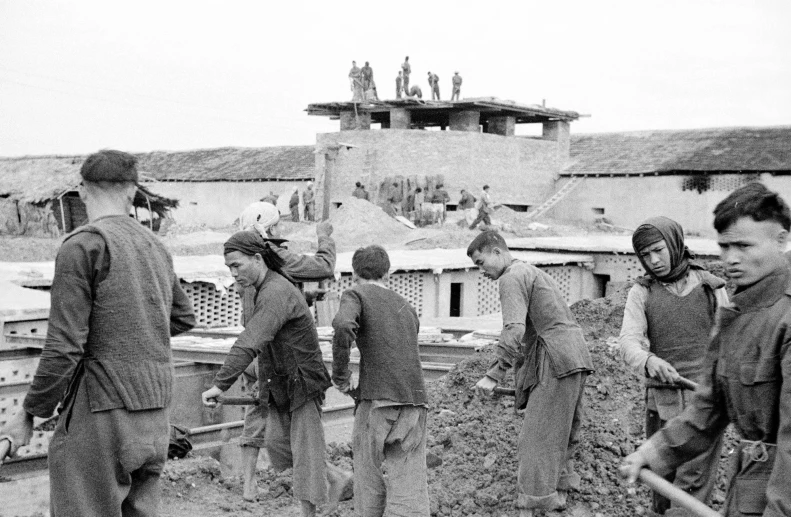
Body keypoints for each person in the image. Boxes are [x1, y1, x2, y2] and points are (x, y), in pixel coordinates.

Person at [0, 150, 196, 516]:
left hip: (103, 412)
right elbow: (184, 317)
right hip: (155, 414)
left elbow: (64, 347)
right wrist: (134, 333)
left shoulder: (83, 245)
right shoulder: (155, 245)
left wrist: (28, 414)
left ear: (82, 191)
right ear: (133, 191)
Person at [621, 183, 791, 516]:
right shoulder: (738, 312)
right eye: (724, 246)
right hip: (748, 488)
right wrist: (651, 453)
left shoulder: (779, 316)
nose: (730, 259)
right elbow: (710, 408)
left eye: (743, 245)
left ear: (782, 240)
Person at [202, 230, 351, 517]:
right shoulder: (263, 289)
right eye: (228, 268)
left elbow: (251, 339)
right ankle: (336, 478)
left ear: (257, 259)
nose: (233, 273)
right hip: (279, 381)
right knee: (278, 448)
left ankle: (310, 511)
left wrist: (220, 384)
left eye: (237, 265)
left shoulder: (276, 292)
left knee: (305, 452)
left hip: (303, 381)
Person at [469, 231, 593, 517]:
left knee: (538, 437)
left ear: (497, 252)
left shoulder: (511, 277)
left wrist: (494, 374)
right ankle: (558, 495)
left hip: (555, 357)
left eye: (480, 262)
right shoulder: (532, 271)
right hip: (575, 355)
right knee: (561, 430)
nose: (481, 271)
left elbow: (514, 329)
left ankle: (532, 508)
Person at [619, 217, 727, 516]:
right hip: (662, 402)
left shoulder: (711, 288)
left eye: (659, 250)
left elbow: (728, 344)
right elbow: (629, 341)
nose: (653, 261)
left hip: (703, 403)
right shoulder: (642, 293)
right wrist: (650, 361)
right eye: (645, 255)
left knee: (691, 484)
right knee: (661, 480)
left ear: (675, 244)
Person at [235, 200, 337, 502]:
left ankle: (252, 484)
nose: (281, 229)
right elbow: (323, 267)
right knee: (300, 432)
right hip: (276, 354)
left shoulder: (247, 258)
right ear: (267, 227)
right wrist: (325, 237)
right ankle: (323, 485)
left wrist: (300, 297)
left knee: (263, 416)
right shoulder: (274, 254)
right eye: (277, 224)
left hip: (259, 348)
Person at [332, 245, 430, 516]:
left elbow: (342, 325)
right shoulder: (406, 305)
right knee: (410, 482)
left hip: (377, 400)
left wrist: (341, 376)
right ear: (387, 272)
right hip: (415, 401)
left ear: (354, 273)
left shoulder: (355, 294)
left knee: (368, 476)